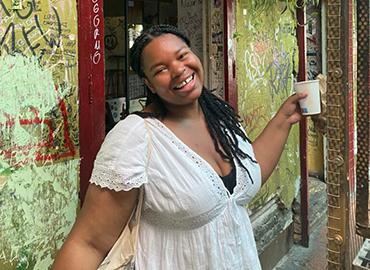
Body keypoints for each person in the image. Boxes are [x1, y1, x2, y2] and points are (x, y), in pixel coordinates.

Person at [52, 24, 307, 270]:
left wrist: (284, 118)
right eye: (161, 68)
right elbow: (89, 243)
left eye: (182, 55)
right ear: (150, 84)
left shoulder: (221, 118)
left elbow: (243, 182)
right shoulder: (136, 137)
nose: (178, 70)